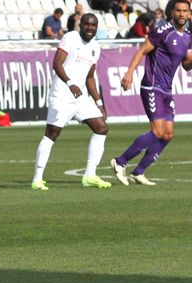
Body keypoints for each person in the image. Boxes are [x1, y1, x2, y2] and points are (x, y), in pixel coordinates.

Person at [111, 0, 192, 186]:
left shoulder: (188, 36)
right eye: (178, 10)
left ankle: (138, 172)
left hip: (166, 90)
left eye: (185, 11)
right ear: (172, 12)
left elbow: (187, 65)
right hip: (152, 86)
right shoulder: (162, 31)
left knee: (167, 134)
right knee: (157, 131)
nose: (181, 14)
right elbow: (142, 51)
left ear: (189, 14)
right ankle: (120, 161)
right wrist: (129, 73)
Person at [31, 13, 112, 191]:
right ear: (80, 25)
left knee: (101, 128)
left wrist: (99, 102)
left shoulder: (95, 47)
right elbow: (57, 64)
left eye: (93, 25)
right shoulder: (70, 38)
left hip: (81, 96)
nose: (90, 28)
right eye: (87, 24)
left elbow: (90, 77)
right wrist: (70, 83)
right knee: (52, 133)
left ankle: (90, 175)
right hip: (62, 94)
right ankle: (37, 178)